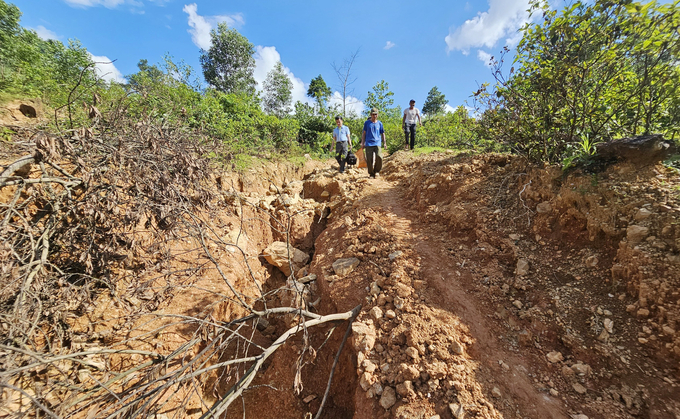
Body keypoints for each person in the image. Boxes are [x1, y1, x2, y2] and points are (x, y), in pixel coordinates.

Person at [361, 108, 386, 178]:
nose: (374, 116)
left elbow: (383, 133)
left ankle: (377, 171)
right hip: (368, 143)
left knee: (379, 157)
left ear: (377, 115)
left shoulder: (380, 123)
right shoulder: (367, 123)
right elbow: (364, 133)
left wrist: (384, 143)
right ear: (370, 114)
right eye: (373, 114)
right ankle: (371, 173)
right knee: (369, 159)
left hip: (377, 143)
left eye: (375, 114)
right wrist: (362, 143)